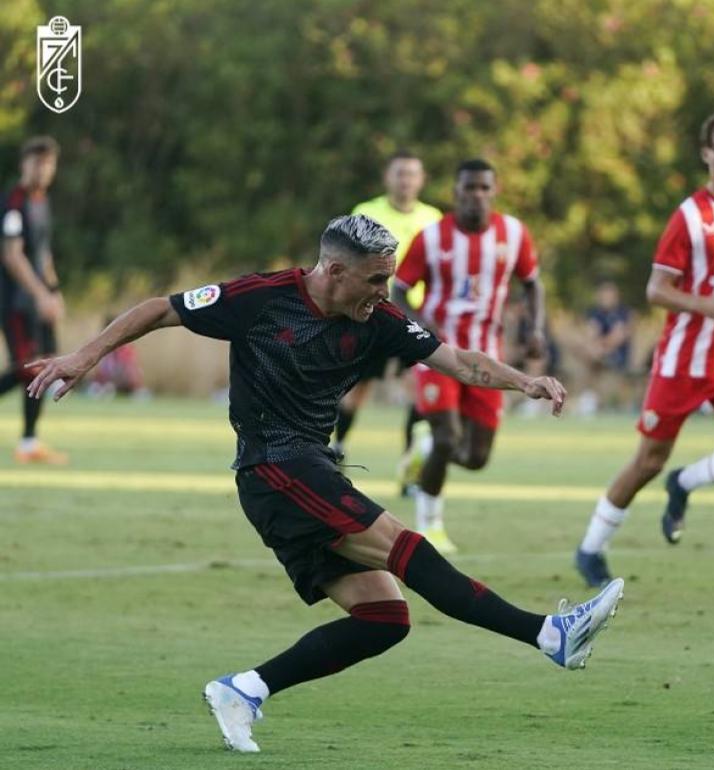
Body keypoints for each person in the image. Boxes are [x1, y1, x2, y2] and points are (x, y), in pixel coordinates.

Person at [27, 214, 624, 753]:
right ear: (334, 271)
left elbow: (461, 361)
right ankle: (548, 635)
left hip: (305, 471)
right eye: (373, 279)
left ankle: (245, 689)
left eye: (387, 279)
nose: (383, 292)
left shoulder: (379, 319)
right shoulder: (261, 298)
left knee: (385, 619)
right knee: (400, 543)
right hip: (274, 467)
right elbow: (159, 308)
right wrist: (83, 356)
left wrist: (526, 381)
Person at [573, 110, 714, 587]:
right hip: (680, 363)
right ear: (706, 156)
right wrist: (701, 304)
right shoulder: (690, 217)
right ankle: (590, 548)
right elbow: (655, 289)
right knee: (648, 460)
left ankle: (685, 482)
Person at [390, 159, 545, 554]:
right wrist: (423, 327)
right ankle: (430, 527)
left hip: (487, 359)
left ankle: (422, 449)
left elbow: (532, 284)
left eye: (483, 188)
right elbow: (400, 291)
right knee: (448, 437)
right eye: (469, 188)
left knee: (476, 458)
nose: (476, 195)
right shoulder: (431, 238)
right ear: (456, 192)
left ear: (493, 191)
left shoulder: (513, 234)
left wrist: (535, 329)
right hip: (439, 353)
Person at [334, 150, 442, 495]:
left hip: (416, 318)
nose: (406, 180)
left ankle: (410, 472)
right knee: (357, 390)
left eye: (412, 174)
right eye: (400, 173)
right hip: (370, 313)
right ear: (387, 177)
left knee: (419, 390)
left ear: (421, 180)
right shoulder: (366, 212)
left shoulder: (433, 219)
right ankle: (337, 447)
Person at [1, 136, 67, 463]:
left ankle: (29, 444)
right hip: (15, 302)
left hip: (38, 302)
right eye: (36, 162)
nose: (42, 170)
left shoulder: (43, 201)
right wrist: (40, 294)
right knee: (29, 370)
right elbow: (12, 256)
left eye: (48, 163)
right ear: (24, 164)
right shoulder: (14, 202)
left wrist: (54, 292)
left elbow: (43, 254)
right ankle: (28, 443)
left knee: (42, 366)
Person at [581, 279, 635, 414]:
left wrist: (600, 347)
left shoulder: (623, 313)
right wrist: (597, 347)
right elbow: (590, 333)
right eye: (604, 294)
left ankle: (591, 398)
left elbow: (618, 337)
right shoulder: (595, 313)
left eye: (609, 294)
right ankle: (591, 398)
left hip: (618, 354)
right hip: (598, 352)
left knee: (593, 354)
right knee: (590, 353)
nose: (606, 298)